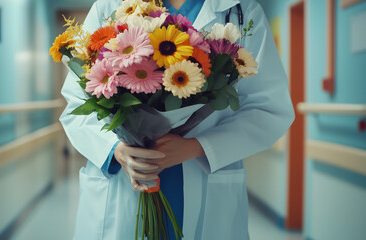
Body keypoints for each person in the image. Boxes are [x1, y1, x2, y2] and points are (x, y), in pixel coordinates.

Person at [59, 0, 295, 239]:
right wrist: (116, 150)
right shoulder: (109, 6)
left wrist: (199, 147)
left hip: (204, 175)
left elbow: (268, 108)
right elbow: (78, 102)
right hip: (125, 179)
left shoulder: (241, 11)